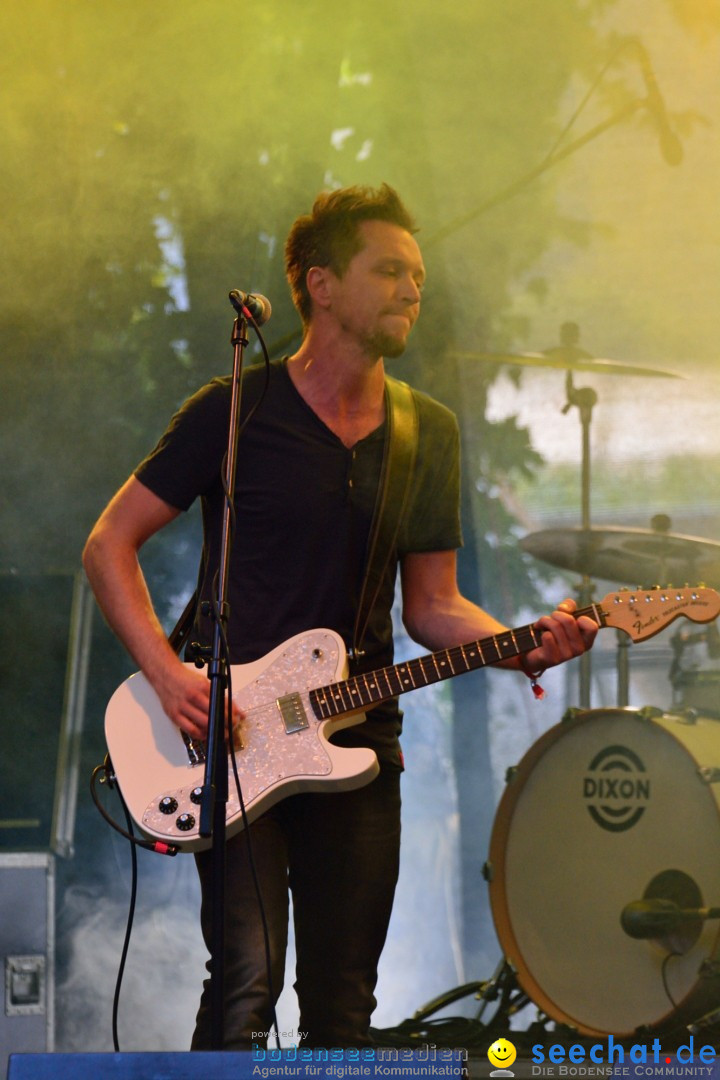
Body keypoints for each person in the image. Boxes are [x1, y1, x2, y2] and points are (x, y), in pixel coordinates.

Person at [82, 183, 597, 1050]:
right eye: (389, 270)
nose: (411, 290)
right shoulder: (235, 409)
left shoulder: (425, 432)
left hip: (363, 742)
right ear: (320, 285)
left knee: (342, 1005)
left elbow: (432, 609)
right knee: (246, 981)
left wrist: (524, 647)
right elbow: (108, 545)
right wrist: (170, 678)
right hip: (233, 737)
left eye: (419, 276)